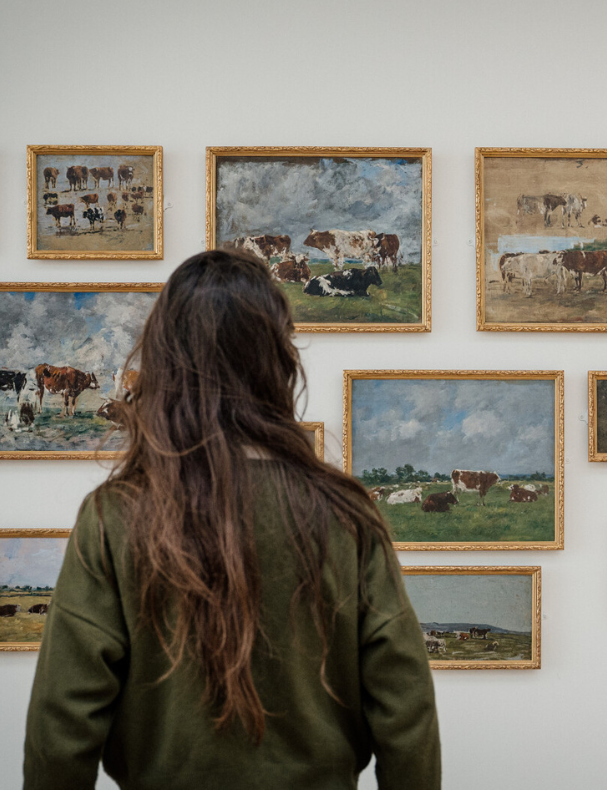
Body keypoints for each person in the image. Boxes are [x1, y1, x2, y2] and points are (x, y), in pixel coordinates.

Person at [23, 250, 440, 789]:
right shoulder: (346, 514)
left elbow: (62, 728)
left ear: (164, 361)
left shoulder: (113, 515)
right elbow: (406, 716)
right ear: (277, 359)